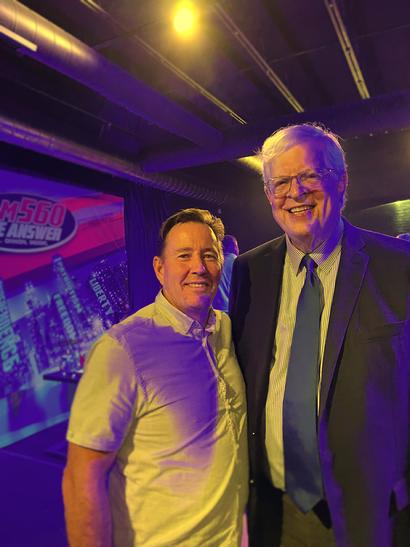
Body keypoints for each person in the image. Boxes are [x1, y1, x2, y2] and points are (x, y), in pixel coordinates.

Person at [229, 123, 410, 547]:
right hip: (276, 511)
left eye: (310, 176)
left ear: (342, 181)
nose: (296, 192)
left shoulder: (399, 266)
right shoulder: (250, 271)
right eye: (282, 182)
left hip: (375, 514)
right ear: (269, 195)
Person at [62, 208, 248, 547]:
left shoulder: (225, 329)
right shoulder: (123, 349)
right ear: (159, 269)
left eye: (209, 255)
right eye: (184, 256)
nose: (199, 267)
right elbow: (81, 477)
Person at [213, 234, 239, 312]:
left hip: (215, 309)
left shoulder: (216, 262)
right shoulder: (237, 261)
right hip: (230, 309)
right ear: (234, 247)